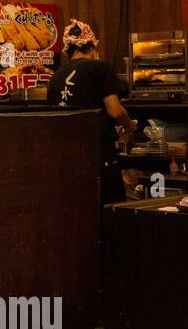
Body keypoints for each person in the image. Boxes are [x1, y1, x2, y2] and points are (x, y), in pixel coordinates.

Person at [47, 19, 137, 204]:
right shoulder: (100, 68)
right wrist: (129, 126)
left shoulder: (55, 77)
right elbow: (115, 111)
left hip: (66, 154)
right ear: (93, 45)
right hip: (98, 152)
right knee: (108, 207)